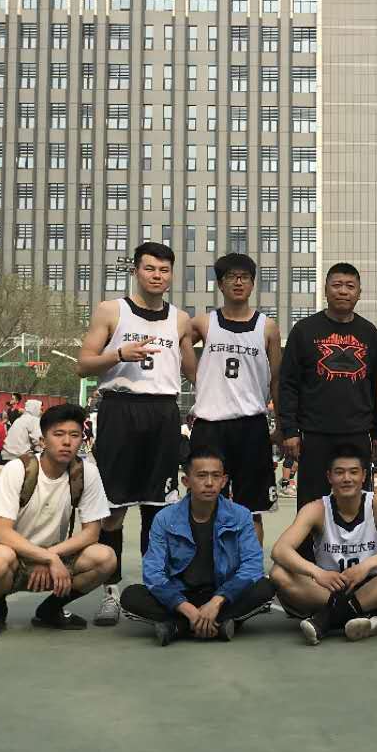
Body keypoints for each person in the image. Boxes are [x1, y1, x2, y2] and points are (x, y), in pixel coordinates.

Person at [77, 241, 193, 628]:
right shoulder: (111, 310)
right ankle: (110, 593)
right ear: (136, 271)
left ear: (171, 274)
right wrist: (118, 355)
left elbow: (195, 371)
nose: (157, 275)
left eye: (164, 269)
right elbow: (83, 364)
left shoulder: (181, 319)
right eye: (149, 268)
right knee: (113, 511)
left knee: (158, 513)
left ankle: (154, 590)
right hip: (120, 411)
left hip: (163, 414)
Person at [0, 404, 115, 640]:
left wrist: (51, 556)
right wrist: (46, 558)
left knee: (105, 558)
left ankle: (50, 610)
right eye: (58, 434)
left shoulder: (87, 473)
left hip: (56, 555)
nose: (67, 442)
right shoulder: (18, 469)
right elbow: (2, 532)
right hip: (14, 554)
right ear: (42, 440)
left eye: (74, 435)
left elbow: (91, 533)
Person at [118, 446, 276, 645]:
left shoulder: (240, 515)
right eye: (201, 476)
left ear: (224, 481)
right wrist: (187, 609)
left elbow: (252, 566)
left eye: (216, 476)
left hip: (223, 593)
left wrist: (217, 601)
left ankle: (178, 627)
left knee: (265, 587)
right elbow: (153, 572)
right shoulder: (165, 518)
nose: (209, 483)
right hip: (180, 595)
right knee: (131, 596)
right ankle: (218, 624)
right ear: (186, 481)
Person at [270, 444, 377, 645]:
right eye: (339, 472)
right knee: (278, 572)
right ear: (329, 477)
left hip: (373, 585)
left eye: (353, 472)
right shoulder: (316, 509)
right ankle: (364, 614)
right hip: (330, 586)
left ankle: (327, 619)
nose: (347, 478)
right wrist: (317, 573)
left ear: (364, 475)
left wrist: (367, 566)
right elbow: (280, 550)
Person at [184, 252, 284, 541]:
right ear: (220, 284)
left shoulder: (267, 327)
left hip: (251, 426)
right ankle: (204, 564)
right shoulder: (204, 323)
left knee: (251, 510)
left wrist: (281, 425)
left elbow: (276, 380)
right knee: (203, 506)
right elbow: (177, 344)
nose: (238, 282)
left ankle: (250, 565)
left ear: (252, 284)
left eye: (245, 277)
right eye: (231, 277)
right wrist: (198, 376)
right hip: (210, 425)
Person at [277, 262, 377, 508]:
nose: (343, 291)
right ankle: (308, 537)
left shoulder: (369, 333)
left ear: (359, 293)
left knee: (356, 503)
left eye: (350, 286)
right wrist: (290, 431)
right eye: (337, 285)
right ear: (325, 290)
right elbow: (288, 383)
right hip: (315, 433)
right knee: (313, 504)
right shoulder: (304, 330)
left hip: (358, 432)